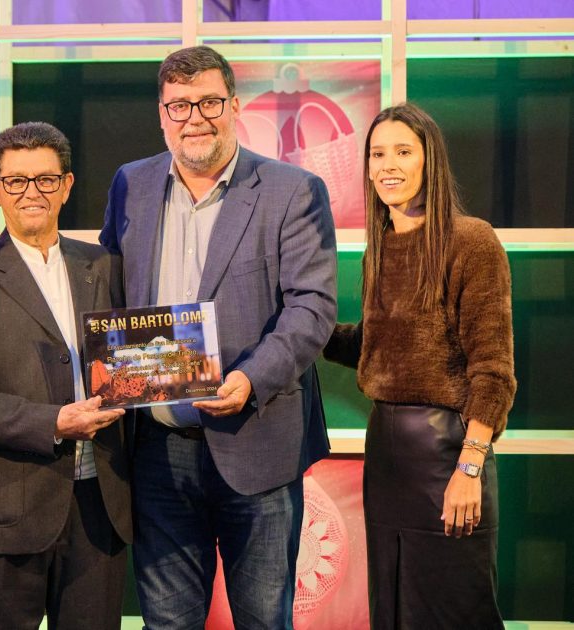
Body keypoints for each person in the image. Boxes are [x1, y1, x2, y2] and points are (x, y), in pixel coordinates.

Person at [100, 46, 336, 628]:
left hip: (257, 443)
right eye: (179, 105)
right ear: (162, 114)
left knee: (263, 620)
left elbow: (312, 308)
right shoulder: (131, 183)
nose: (194, 118)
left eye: (208, 102)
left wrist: (250, 378)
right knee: (167, 623)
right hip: (157, 452)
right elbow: (108, 292)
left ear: (233, 105)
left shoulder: (292, 189)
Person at [324, 102, 516, 629]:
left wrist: (469, 467)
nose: (388, 165)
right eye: (377, 154)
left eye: (403, 152)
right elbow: (380, 346)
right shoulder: (380, 247)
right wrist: (302, 327)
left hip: (448, 454)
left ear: (430, 160)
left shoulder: (472, 241)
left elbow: (493, 369)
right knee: (394, 611)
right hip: (387, 457)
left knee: (457, 610)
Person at [0, 121, 131, 630]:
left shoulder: (106, 266)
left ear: (66, 186)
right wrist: (55, 422)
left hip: (100, 508)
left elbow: (136, 361)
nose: (32, 193)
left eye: (45, 179)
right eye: (17, 181)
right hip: (4, 511)